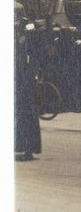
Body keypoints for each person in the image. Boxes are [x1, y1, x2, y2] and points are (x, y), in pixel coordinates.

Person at [15, 19, 41, 161]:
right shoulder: (28, 50)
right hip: (28, 89)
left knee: (26, 119)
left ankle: (27, 149)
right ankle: (28, 148)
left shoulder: (26, 50)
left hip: (26, 90)